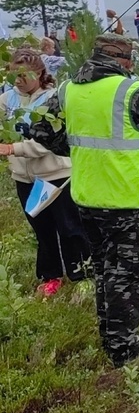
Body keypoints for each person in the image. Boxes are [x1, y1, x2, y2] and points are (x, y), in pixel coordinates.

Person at [28, 35, 139, 367]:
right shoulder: (131, 91)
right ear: (124, 61)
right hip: (125, 201)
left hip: (86, 197)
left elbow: (40, 130)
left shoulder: (68, 89)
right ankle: (123, 349)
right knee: (127, 274)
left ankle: (108, 334)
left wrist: (72, 147)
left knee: (104, 268)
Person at [0, 47, 90, 294]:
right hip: (24, 178)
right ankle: (50, 276)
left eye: (24, 75)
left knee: (70, 228)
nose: (18, 80)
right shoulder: (7, 100)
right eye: (14, 75)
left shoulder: (53, 100)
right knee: (41, 230)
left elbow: (47, 142)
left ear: (40, 73)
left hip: (57, 176)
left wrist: (11, 148)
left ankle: (82, 274)